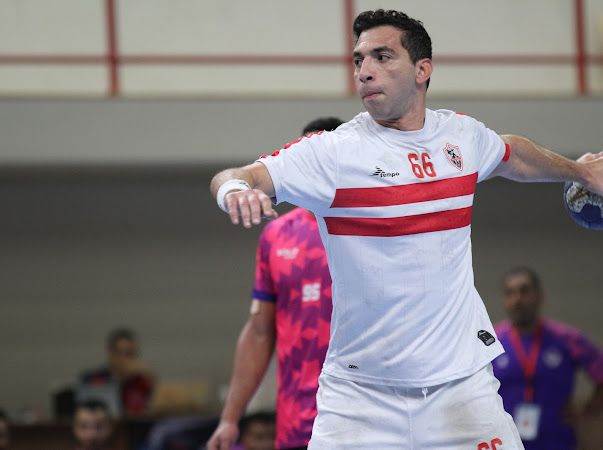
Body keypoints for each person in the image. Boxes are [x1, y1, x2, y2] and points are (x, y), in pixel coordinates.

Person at [210, 9, 603, 449]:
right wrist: (234, 191)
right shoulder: (333, 153)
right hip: (360, 399)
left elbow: (514, 154)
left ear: (422, 70)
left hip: (462, 390)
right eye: (359, 60)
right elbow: (237, 175)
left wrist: (581, 172)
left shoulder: (460, 137)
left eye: (382, 57)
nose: (365, 71)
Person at [208, 117, 343, 450]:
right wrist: (230, 418)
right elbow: (259, 331)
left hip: (361, 418)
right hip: (295, 422)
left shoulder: (372, 226)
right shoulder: (278, 235)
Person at [493, 267, 603, 450]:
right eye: (510, 293)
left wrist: (586, 411)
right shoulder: (491, 343)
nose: (517, 299)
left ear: (539, 296)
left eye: (524, 291)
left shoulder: (566, 338)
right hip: (506, 443)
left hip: (556, 442)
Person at [80, 328, 154, 416]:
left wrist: (150, 377)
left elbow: (151, 409)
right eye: (120, 352)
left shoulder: (141, 381)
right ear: (110, 352)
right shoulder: (92, 378)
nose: (125, 359)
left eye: (130, 353)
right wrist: (119, 379)